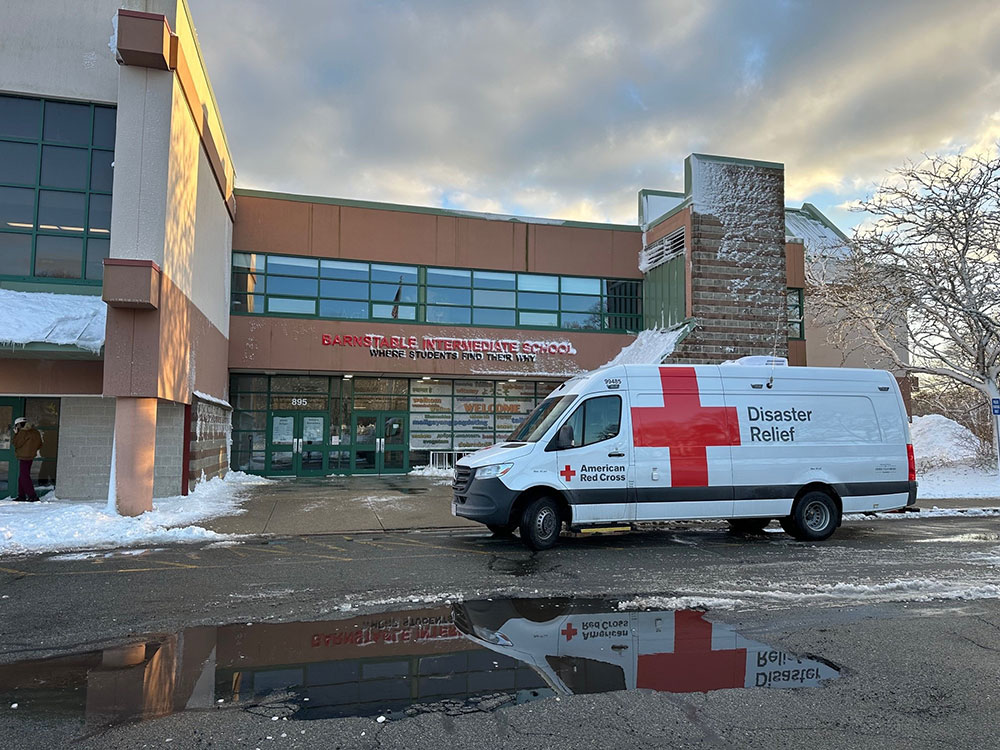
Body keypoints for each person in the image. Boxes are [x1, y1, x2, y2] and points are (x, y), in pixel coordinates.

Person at [12, 417, 42, 502]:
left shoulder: (22, 432)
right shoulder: (35, 432)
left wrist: (16, 434)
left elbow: (16, 443)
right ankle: (21, 495)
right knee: (22, 476)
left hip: (23, 457)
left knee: (24, 476)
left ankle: (32, 496)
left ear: (19, 425)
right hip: (31, 456)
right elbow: (40, 444)